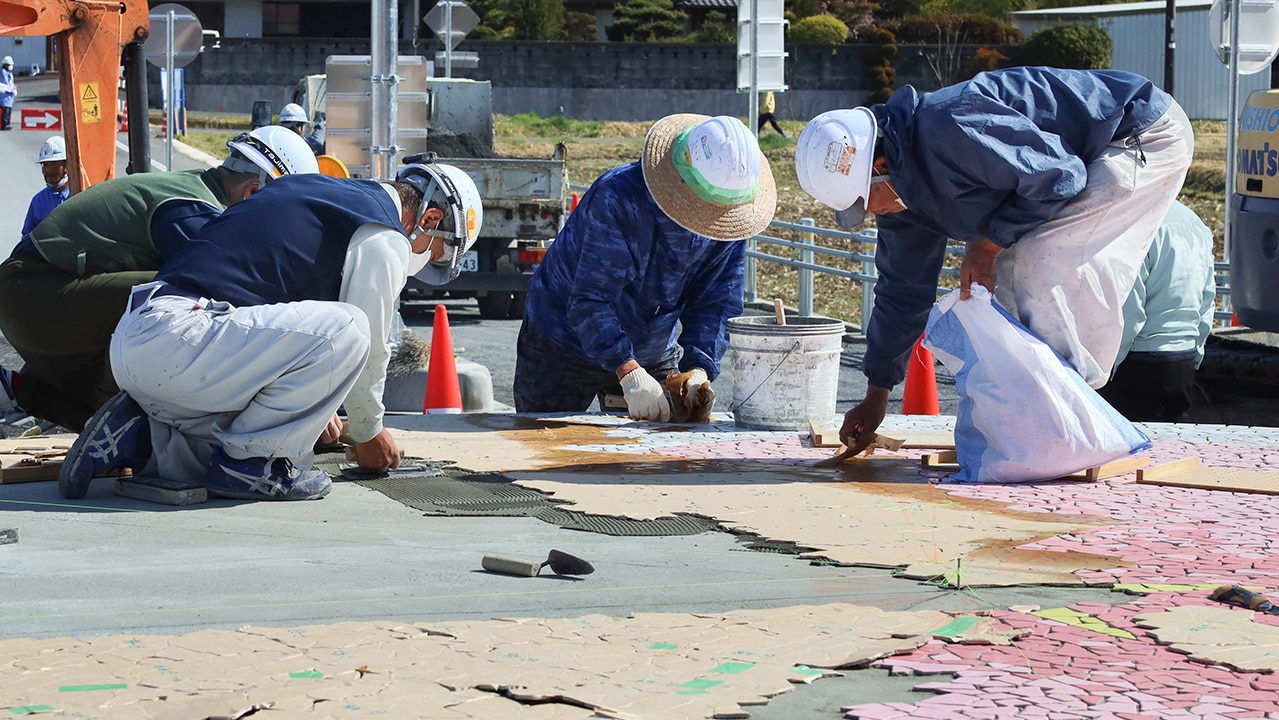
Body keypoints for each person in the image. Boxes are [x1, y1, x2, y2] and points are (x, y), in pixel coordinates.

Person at [794, 67, 1194, 452]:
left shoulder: (952, 124)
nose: (870, 213)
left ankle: (1070, 421)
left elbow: (1060, 177)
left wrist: (985, 246)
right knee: (1000, 279)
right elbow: (902, 291)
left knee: (1044, 259)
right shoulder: (902, 200)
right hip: (1081, 159)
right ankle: (1038, 422)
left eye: (866, 201)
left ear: (881, 168)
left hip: (1140, 133)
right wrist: (877, 394)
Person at [57, 162, 483, 501]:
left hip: (146, 338)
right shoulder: (385, 233)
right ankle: (252, 467)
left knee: (229, 440)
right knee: (350, 329)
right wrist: (369, 432)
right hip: (183, 336)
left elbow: (258, 323)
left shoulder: (313, 194)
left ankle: (138, 433)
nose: (428, 260)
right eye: (439, 251)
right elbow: (368, 345)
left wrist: (311, 404)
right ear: (428, 218)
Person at [0, 126, 318, 433]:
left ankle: (22, 391)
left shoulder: (200, 194)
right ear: (252, 192)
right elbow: (239, 304)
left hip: (39, 303)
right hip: (30, 296)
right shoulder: (194, 210)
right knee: (183, 302)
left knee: (144, 432)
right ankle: (113, 419)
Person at [514, 114, 776, 420]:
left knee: (652, 457)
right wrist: (628, 371)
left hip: (651, 344)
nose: (709, 219)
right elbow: (591, 299)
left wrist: (699, 367)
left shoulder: (726, 223)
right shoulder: (619, 199)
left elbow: (716, 301)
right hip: (562, 341)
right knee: (541, 448)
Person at [1098, 201, 1216, 422]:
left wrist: (1108, 366)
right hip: (1184, 356)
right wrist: (1195, 353)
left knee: (1129, 446)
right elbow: (1207, 299)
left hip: (1137, 360)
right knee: (1170, 440)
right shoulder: (1196, 224)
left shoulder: (1137, 221)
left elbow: (1130, 308)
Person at [21, 136, 70, 236]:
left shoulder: (80, 196)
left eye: (53, 164)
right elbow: (27, 239)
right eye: (45, 164)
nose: (47, 170)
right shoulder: (38, 201)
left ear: (67, 166)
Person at [0, 56, 15, 131]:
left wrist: (14, 89)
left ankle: (7, 124)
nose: (10, 66)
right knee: (5, 112)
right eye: (9, 65)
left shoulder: (9, 73)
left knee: (8, 111)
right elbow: (5, 84)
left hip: (9, 97)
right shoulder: (3, 72)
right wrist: (12, 90)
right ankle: (4, 125)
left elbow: (11, 83)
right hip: (4, 96)